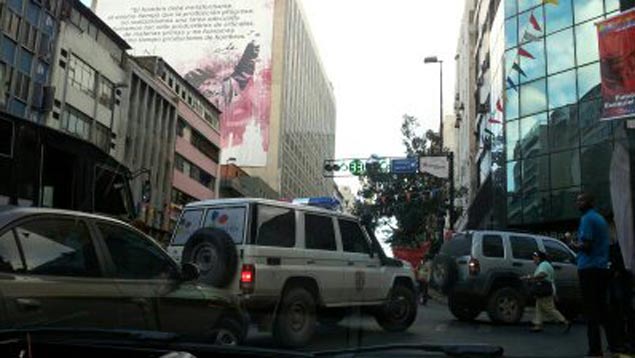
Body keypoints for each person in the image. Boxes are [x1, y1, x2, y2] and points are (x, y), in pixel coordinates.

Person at [572, 192, 623, 357]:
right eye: (577, 200)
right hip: (601, 269)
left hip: (589, 269)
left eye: (581, 200)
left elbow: (586, 245)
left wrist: (573, 244)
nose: (578, 203)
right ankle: (615, 345)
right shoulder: (600, 219)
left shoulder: (587, 219)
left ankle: (595, 350)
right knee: (603, 309)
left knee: (591, 311)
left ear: (589, 202)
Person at [522, 251, 570, 333]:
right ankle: (538, 325)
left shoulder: (543, 265)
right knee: (539, 306)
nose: (533, 259)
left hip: (544, 289)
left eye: (535, 257)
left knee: (548, 308)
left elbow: (543, 274)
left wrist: (530, 277)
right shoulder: (546, 264)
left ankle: (564, 321)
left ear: (539, 258)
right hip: (547, 288)